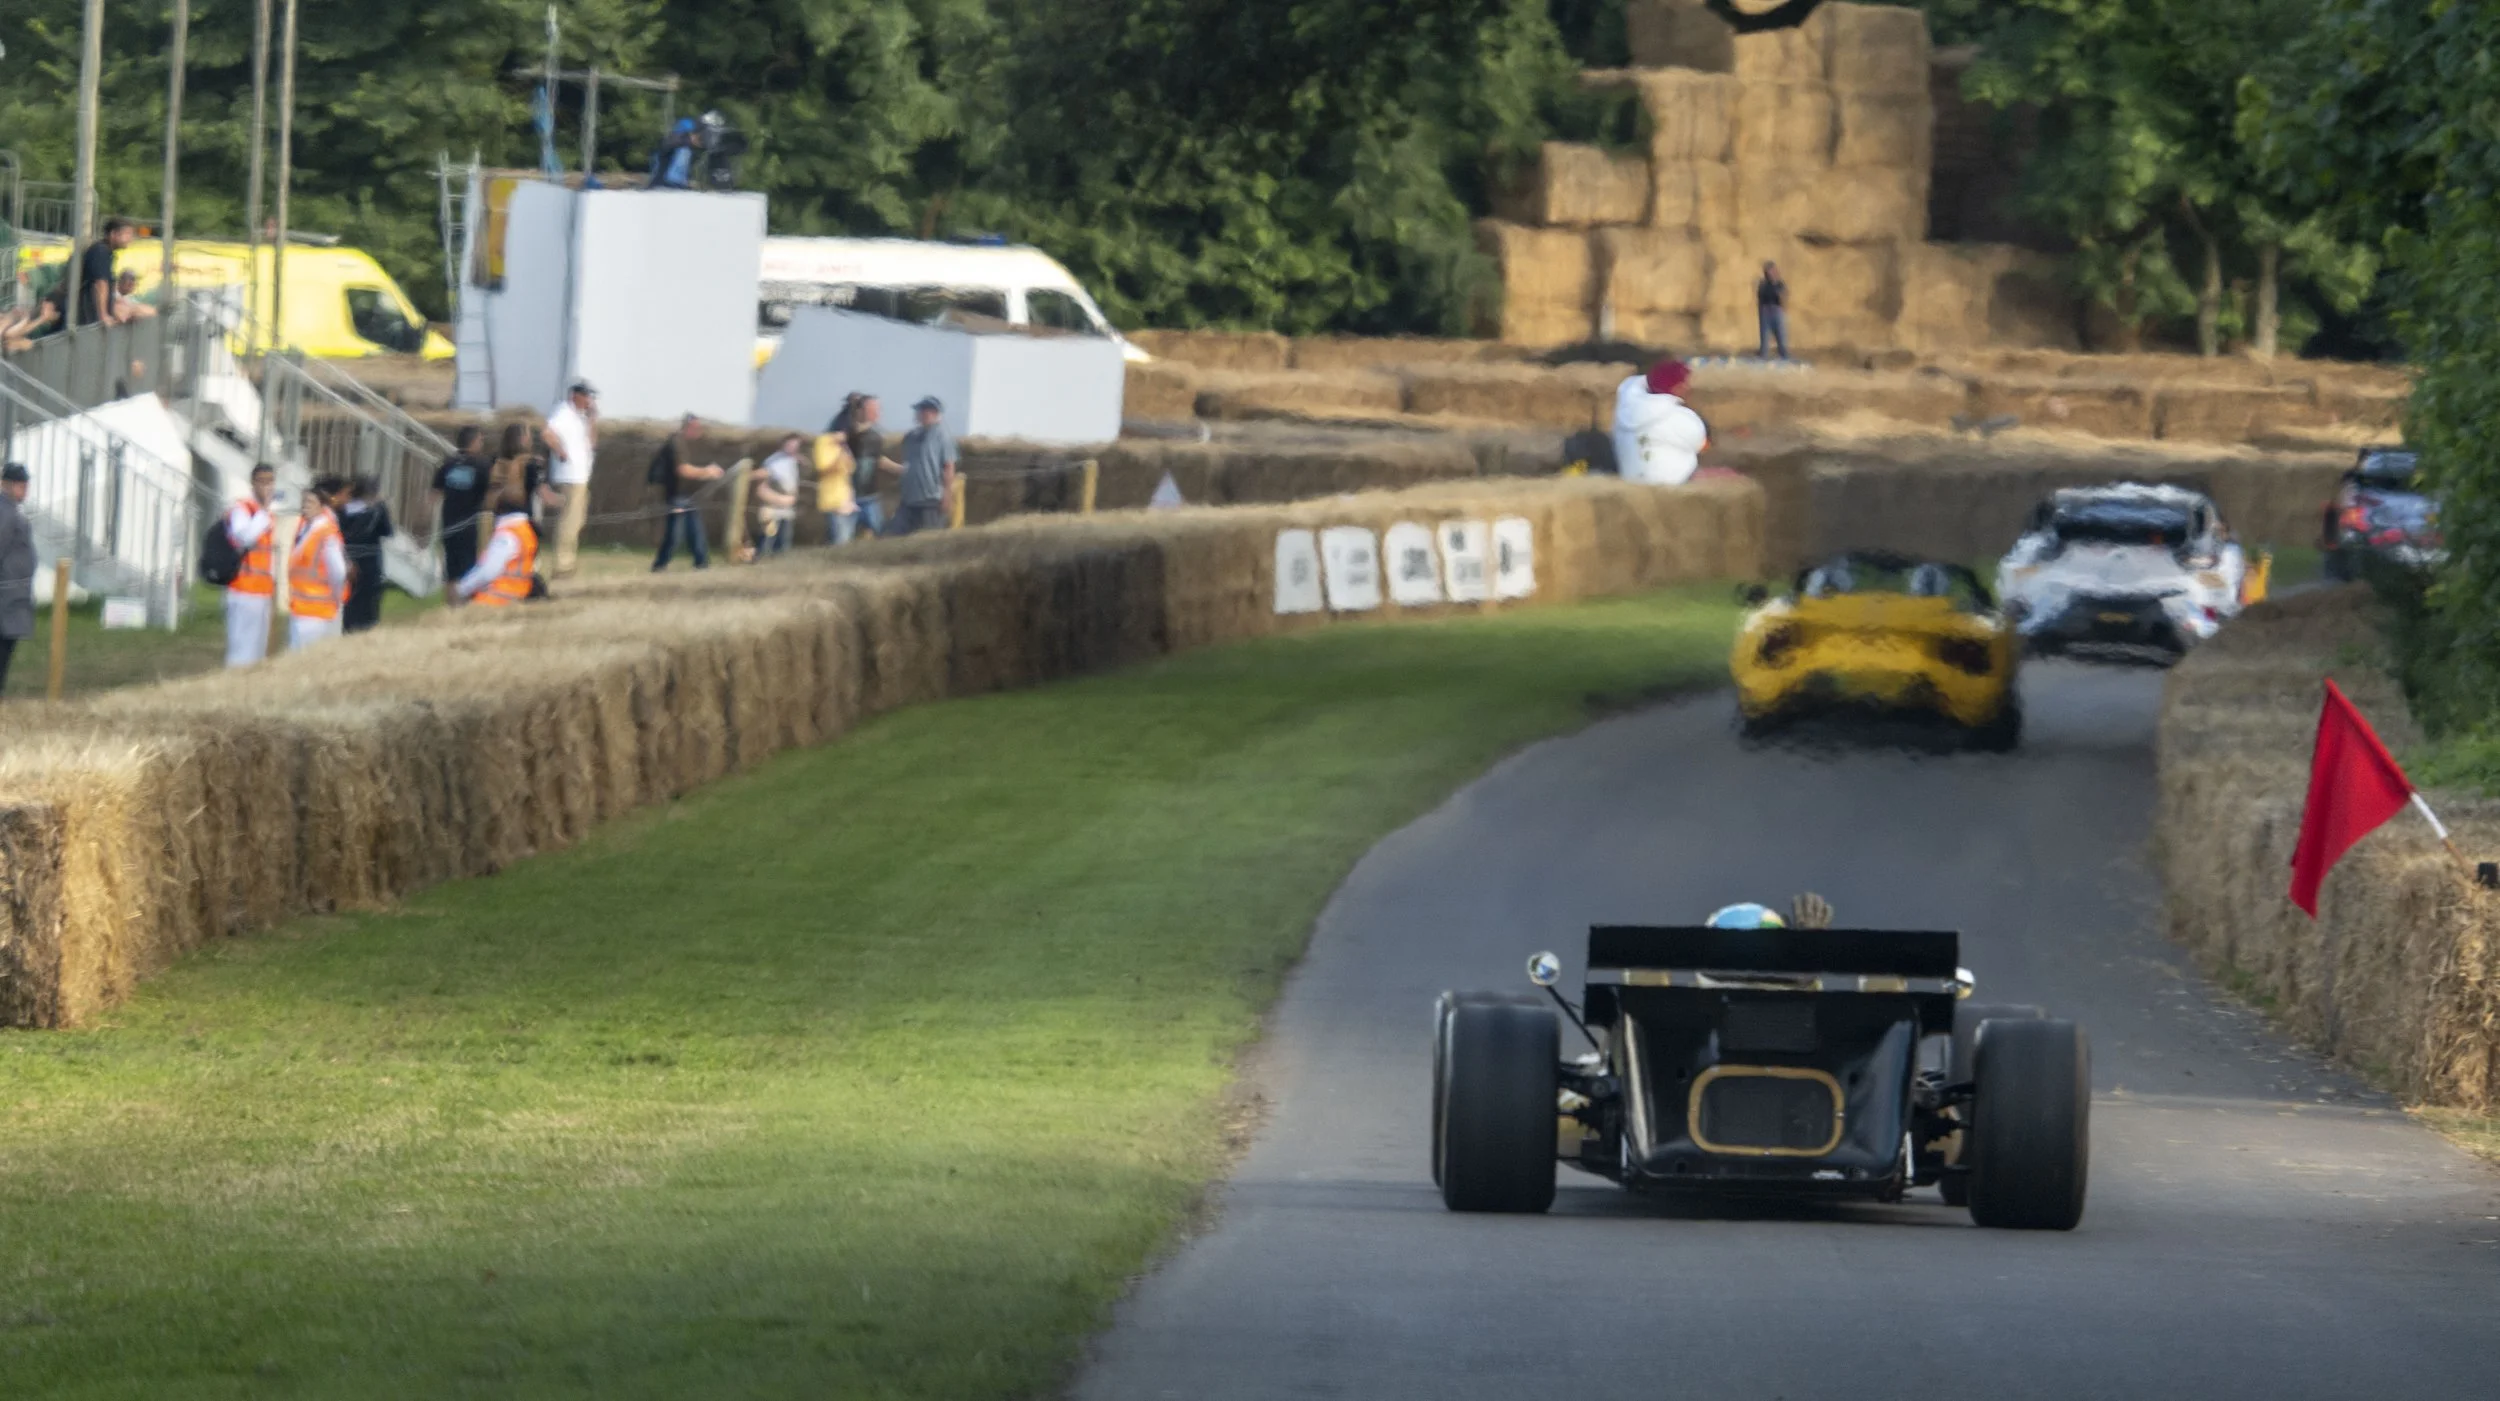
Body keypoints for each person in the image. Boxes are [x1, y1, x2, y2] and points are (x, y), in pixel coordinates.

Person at [1610, 359, 1710, 486]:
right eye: (1684, 382)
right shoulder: (1680, 418)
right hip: (1676, 486)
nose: (1688, 387)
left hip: (1632, 483)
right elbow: (1703, 446)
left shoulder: (1623, 411)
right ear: (1677, 387)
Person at [285, 476, 352, 652]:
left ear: (321, 506)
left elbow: (338, 572)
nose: (305, 505)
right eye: (304, 501)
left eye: (310, 502)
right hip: (301, 608)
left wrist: (336, 599)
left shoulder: (324, 531)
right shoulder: (305, 526)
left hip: (317, 611)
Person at [650, 415, 726, 570]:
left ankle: (702, 564)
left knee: (695, 531)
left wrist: (708, 473)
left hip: (689, 495)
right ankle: (659, 566)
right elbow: (683, 470)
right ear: (687, 427)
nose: (699, 432)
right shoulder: (676, 443)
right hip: (676, 495)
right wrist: (708, 471)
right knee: (674, 535)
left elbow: (693, 469)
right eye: (696, 428)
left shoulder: (691, 445)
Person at [222, 464, 279, 667]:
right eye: (262, 481)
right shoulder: (242, 508)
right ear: (253, 483)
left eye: (270, 481)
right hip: (243, 588)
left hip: (261, 589)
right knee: (241, 647)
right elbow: (244, 537)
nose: (267, 486)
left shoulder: (267, 514)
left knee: (257, 649)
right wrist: (263, 513)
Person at [543, 380, 598, 578]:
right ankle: (562, 565)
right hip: (569, 476)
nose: (590, 401)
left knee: (576, 521)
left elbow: (591, 443)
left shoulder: (581, 417)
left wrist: (592, 419)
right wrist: (561, 452)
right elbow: (548, 433)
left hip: (580, 477)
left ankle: (568, 562)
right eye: (587, 396)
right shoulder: (563, 412)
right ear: (576, 395)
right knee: (568, 521)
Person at [454, 486, 541, 606]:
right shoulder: (525, 529)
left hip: (497, 597)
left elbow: (488, 571)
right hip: (519, 593)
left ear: (499, 508)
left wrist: (461, 588)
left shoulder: (507, 534)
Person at [430, 426, 491, 595]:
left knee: (451, 565)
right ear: (474, 442)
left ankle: (451, 601)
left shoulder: (448, 463)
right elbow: (489, 494)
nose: (481, 444)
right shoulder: (481, 465)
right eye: (480, 440)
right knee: (469, 563)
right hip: (468, 522)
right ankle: (466, 599)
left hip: (449, 521)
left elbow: (434, 493)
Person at [337, 476, 394, 634]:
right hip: (370, 560)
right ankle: (367, 629)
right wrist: (382, 508)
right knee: (369, 602)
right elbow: (387, 531)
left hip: (349, 557)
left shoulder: (343, 510)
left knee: (350, 601)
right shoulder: (377, 509)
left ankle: (348, 629)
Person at [892, 396, 956, 537]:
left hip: (931, 500)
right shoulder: (911, 437)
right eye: (918, 411)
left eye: (923, 411)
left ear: (933, 413)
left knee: (928, 538)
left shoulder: (942, 436)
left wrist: (947, 496)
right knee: (896, 537)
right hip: (908, 499)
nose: (919, 414)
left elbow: (949, 467)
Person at [843, 393, 902, 538]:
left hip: (870, 497)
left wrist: (901, 470)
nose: (878, 413)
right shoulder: (845, 434)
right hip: (847, 497)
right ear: (860, 411)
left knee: (881, 535)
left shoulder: (875, 436)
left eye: (878, 409)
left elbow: (879, 460)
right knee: (843, 539)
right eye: (873, 409)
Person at [0, 463, 33, 697]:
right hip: (5, 598)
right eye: (20, 485)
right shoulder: (5, 513)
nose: (24, 490)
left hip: (12, 596)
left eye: (25, 485)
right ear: (6, 485)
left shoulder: (11, 511)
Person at [75, 218, 135, 327]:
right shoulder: (100, 251)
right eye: (126, 234)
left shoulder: (106, 252)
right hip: (88, 316)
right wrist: (103, 316)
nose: (130, 239)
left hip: (90, 314)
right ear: (113, 234)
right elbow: (100, 284)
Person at [812, 421, 860, 544]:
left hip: (847, 499)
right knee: (840, 539)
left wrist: (846, 453)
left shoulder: (843, 447)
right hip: (833, 500)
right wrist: (839, 456)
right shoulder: (823, 443)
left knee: (847, 538)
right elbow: (823, 468)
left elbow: (851, 468)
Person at [756, 433, 802, 556]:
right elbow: (762, 487)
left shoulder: (793, 461)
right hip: (772, 509)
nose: (793, 448)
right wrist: (780, 499)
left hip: (787, 509)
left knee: (783, 543)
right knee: (767, 540)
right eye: (790, 445)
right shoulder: (773, 461)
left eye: (796, 445)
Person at [1756, 260, 1790, 362]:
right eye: (1768, 271)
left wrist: (1783, 307)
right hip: (1765, 311)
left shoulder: (1780, 284)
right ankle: (1763, 359)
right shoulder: (1763, 284)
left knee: (1781, 339)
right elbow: (1759, 299)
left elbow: (1784, 299)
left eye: (1772, 271)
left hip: (1777, 311)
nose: (1770, 273)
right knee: (1765, 341)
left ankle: (1784, 359)